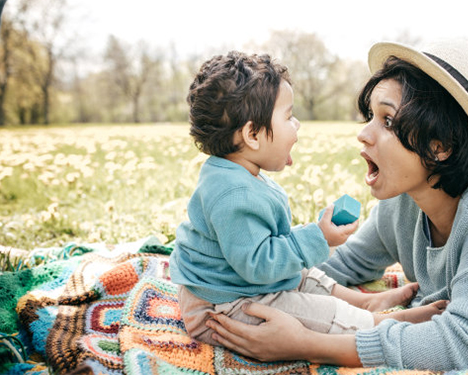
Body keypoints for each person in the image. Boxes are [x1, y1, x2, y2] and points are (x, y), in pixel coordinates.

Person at [205, 40, 468, 371]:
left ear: (440, 146)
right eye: (370, 116)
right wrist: (229, 282)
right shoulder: (406, 201)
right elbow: (340, 268)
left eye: (388, 122)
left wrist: (308, 343)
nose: (363, 134)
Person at [169, 51, 447, 347]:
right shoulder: (234, 195)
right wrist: (318, 237)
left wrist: (309, 237)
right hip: (224, 307)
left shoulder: (235, 173)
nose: (297, 125)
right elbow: (260, 265)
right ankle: (379, 323)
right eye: (289, 117)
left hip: (238, 285)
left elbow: (264, 249)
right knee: (313, 311)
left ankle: (364, 303)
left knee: (304, 274)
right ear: (252, 134)